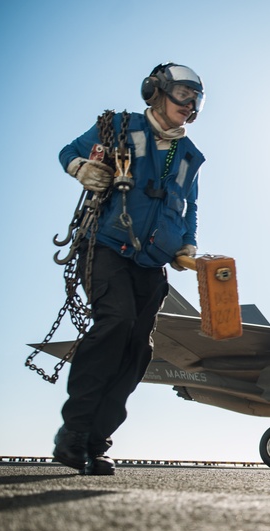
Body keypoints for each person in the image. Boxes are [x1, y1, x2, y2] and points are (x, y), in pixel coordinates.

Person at [52, 63, 206, 475]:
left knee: (139, 349)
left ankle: (96, 442)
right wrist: (81, 169)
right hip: (105, 249)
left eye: (196, 99)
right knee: (115, 323)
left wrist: (188, 244)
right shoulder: (118, 127)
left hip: (153, 264)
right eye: (183, 94)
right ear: (155, 91)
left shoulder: (190, 156)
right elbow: (69, 152)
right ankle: (73, 433)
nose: (190, 105)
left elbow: (189, 207)